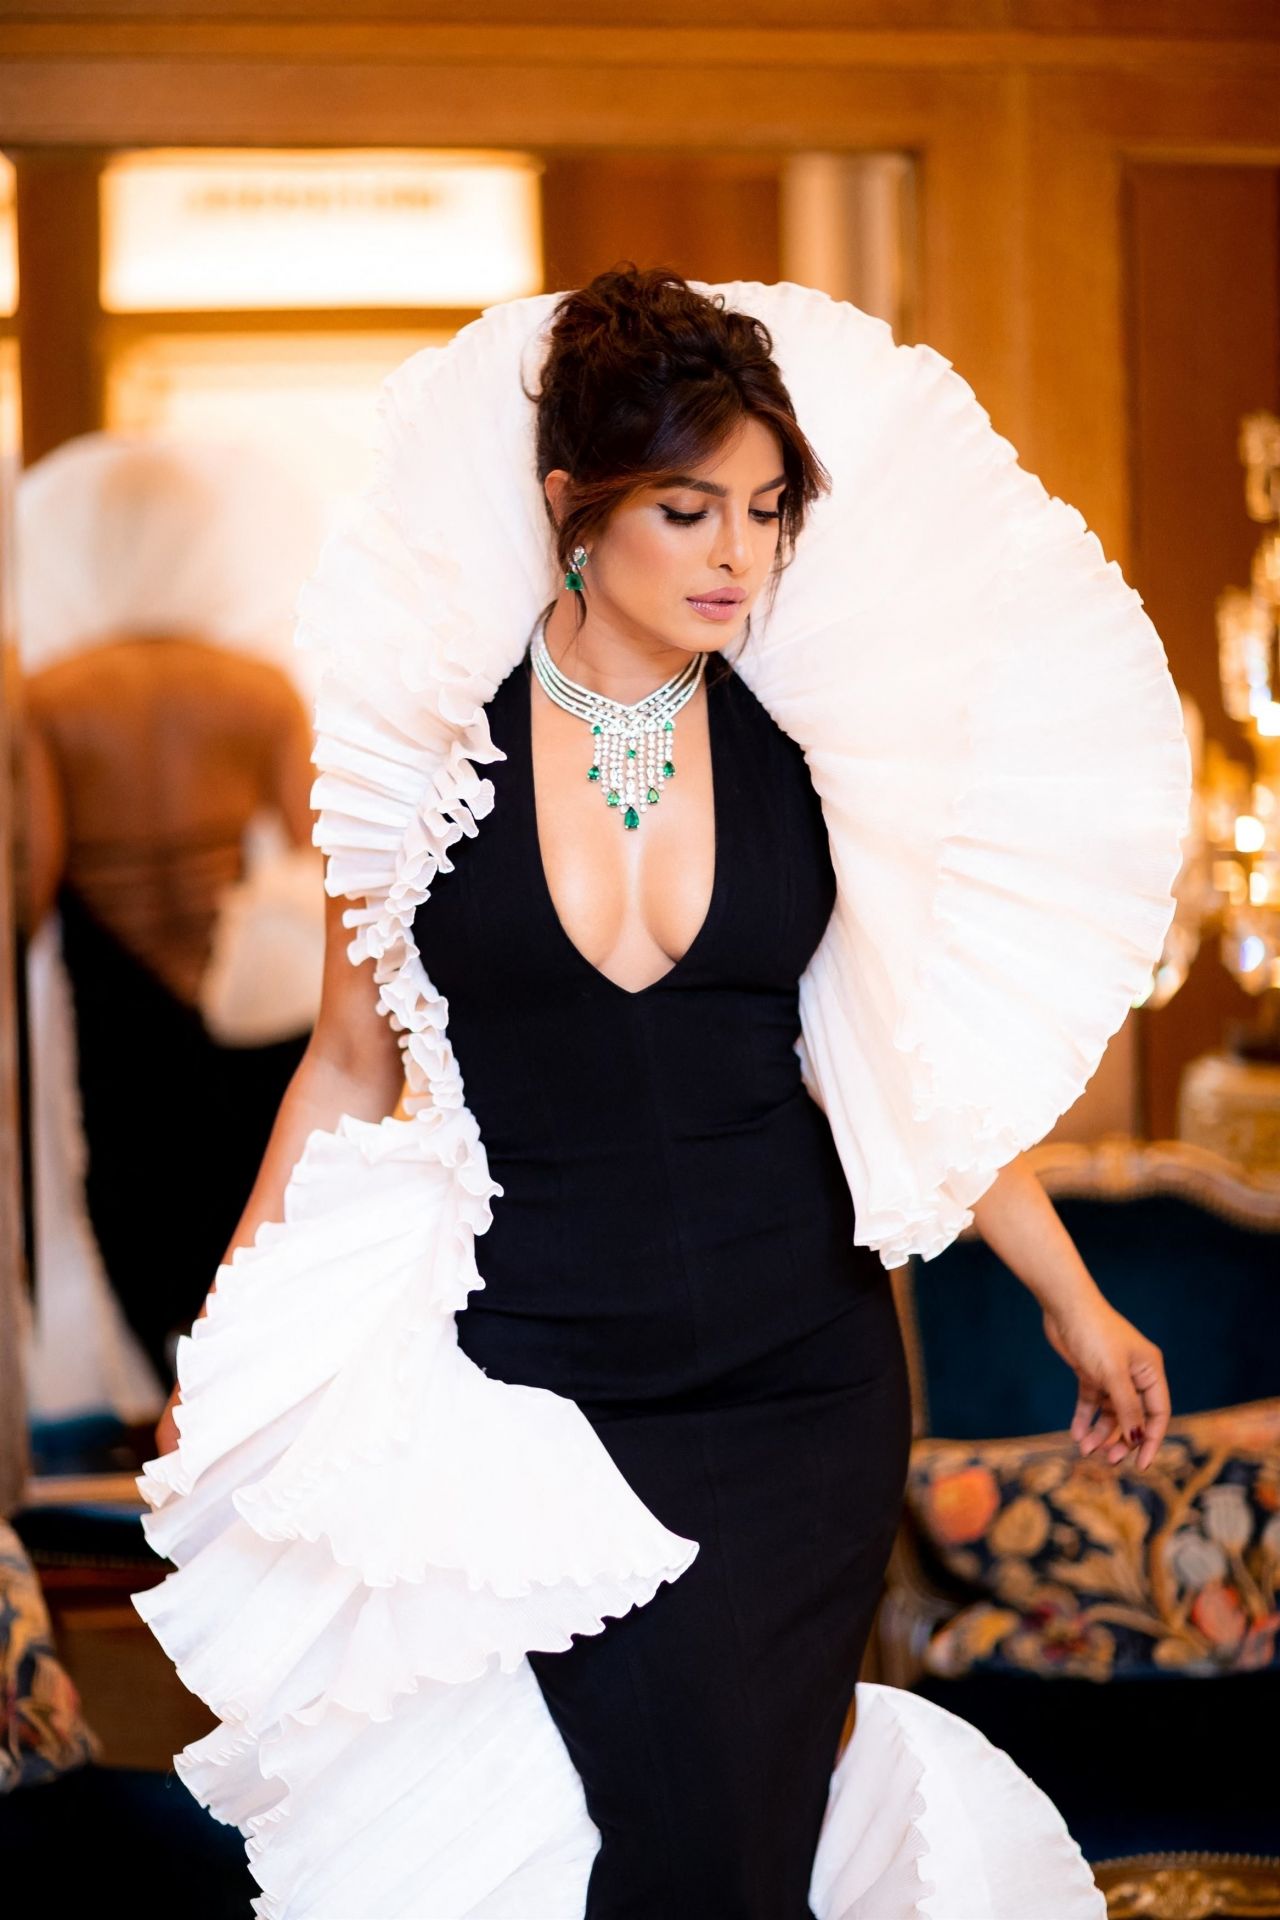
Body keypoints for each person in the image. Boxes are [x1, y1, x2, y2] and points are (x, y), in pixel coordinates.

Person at [135, 269, 1191, 1918]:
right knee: (645, 1842)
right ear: (575, 507)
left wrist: (1074, 1296)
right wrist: (230, 1344)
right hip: (540, 1396)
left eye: (766, 513)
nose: (735, 556)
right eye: (687, 511)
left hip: (803, 1389)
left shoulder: (810, 753)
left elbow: (897, 1061)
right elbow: (346, 1062)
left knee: (731, 1845)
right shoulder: (421, 756)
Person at [18, 436, 326, 1401]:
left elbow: (34, 880)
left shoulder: (48, 697)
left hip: (113, 997)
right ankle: (239, 1405)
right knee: (245, 1213)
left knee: (132, 1208)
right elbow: (322, 856)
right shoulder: (256, 688)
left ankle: (167, 1403)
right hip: (240, 994)